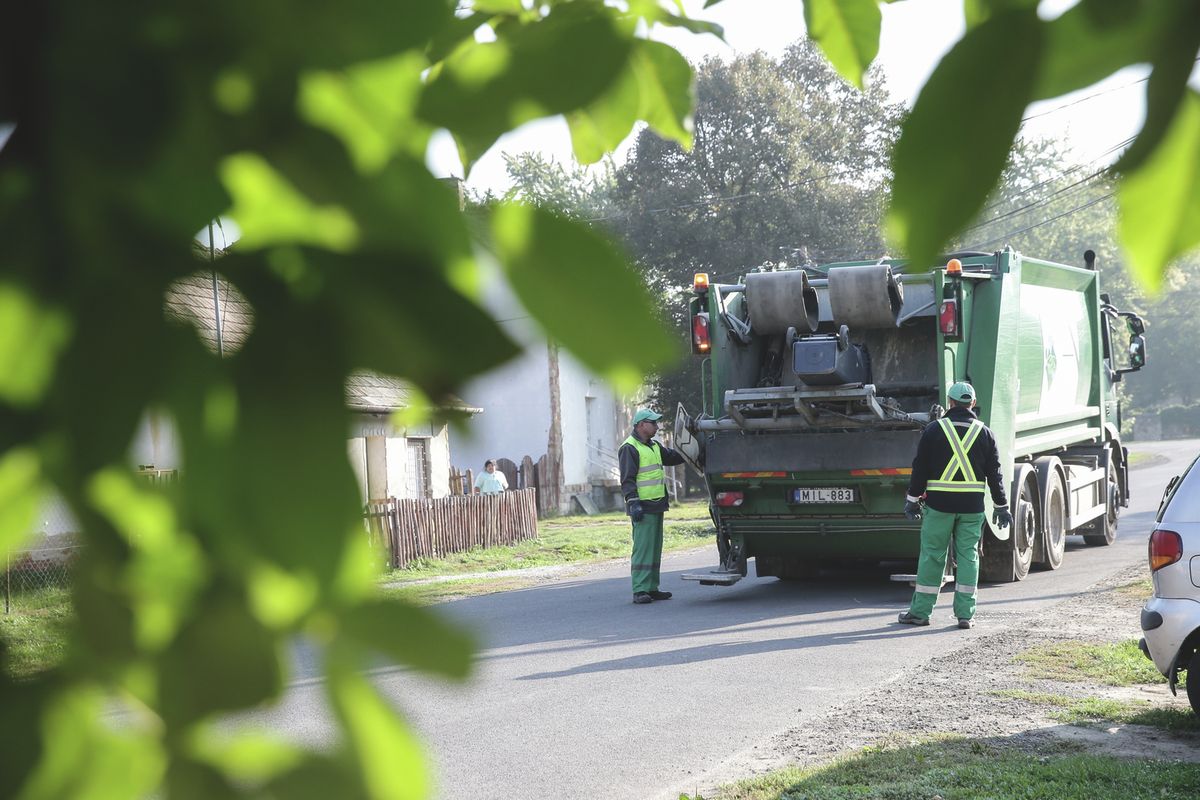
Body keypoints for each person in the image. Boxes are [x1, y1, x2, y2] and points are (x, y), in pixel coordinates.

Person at [898, 382, 1011, 629]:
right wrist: (1002, 506)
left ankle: (920, 613)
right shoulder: (985, 433)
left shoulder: (933, 430)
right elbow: (995, 474)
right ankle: (965, 615)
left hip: (939, 507)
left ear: (949, 402)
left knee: (932, 556)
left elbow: (920, 469)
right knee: (969, 557)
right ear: (972, 403)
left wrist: (912, 500)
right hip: (972, 508)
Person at [618, 408, 686, 604]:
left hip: (656, 505)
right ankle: (639, 589)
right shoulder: (629, 447)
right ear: (641, 425)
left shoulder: (654, 446)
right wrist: (633, 503)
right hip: (642, 507)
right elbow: (627, 480)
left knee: (655, 548)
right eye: (653, 423)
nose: (657, 426)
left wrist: (693, 447)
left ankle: (652, 588)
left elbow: (673, 457)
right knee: (643, 548)